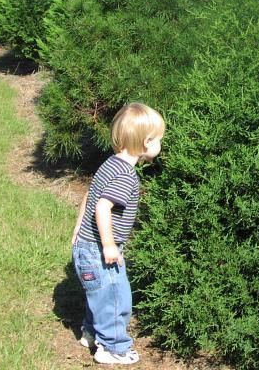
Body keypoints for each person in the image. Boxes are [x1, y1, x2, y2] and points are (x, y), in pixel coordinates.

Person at [71, 102, 165, 365]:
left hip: (85, 244)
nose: (160, 144)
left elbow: (89, 195)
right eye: (159, 140)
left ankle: (91, 333)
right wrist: (109, 245)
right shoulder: (126, 176)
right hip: (99, 250)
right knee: (114, 297)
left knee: (98, 294)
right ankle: (113, 347)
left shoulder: (110, 163)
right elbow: (102, 207)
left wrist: (78, 229)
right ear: (146, 142)